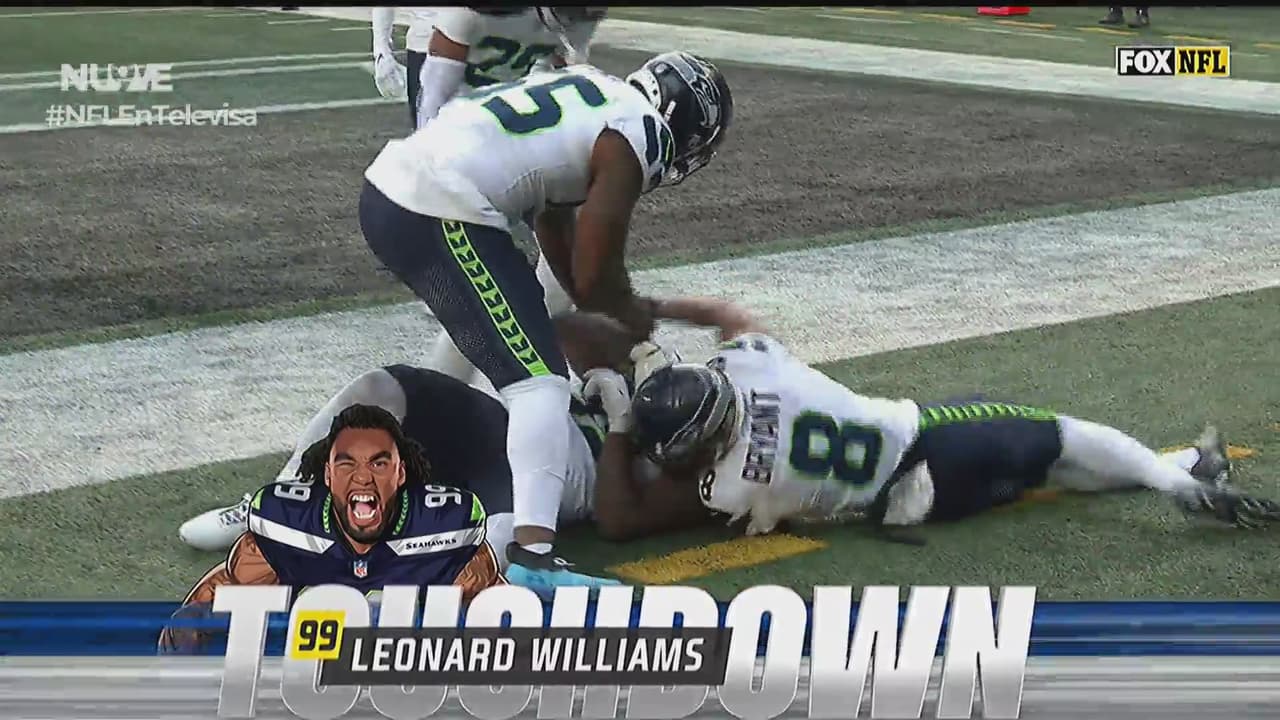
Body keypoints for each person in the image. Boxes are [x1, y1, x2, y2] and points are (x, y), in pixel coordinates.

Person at [357, 50, 732, 589]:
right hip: (439, 202)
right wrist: (634, 316)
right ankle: (533, 560)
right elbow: (599, 267)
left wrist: (605, 307)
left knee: (526, 362)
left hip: (398, 190)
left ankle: (351, 490)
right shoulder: (640, 131)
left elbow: (554, 226)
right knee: (541, 385)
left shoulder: (595, 92)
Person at [624, 300, 1280, 537]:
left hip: (914, 507)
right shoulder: (752, 366)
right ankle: (1182, 486)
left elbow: (684, 477)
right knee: (1064, 436)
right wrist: (659, 309)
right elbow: (734, 319)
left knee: (1057, 473)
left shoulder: (730, 488)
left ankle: (1190, 465)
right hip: (935, 441)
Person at [159, 405, 504, 654]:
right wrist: (192, 625)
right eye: (346, 463)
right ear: (327, 474)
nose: (363, 477)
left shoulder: (444, 531)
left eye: (379, 464)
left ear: (400, 474)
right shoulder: (286, 526)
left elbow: (503, 620)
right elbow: (223, 594)